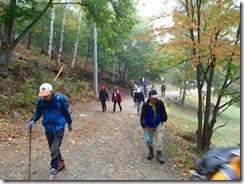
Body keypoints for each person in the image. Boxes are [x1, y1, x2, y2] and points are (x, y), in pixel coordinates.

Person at [27, 83, 73, 180]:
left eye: (46, 94)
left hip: (59, 127)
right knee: (53, 148)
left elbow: (65, 112)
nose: (45, 96)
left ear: (51, 92)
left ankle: (54, 167)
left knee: (54, 149)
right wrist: (33, 120)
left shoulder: (59, 101)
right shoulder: (41, 101)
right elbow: (38, 112)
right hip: (48, 128)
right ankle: (61, 163)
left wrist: (69, 123)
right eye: (43, 94)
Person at [140, 89, 167, 164]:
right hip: (149, 124)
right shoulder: (145, 105)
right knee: (149, 140)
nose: (155, 99)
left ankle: (159, 153)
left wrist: (163, 120)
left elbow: (163, 112)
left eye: (156, 97)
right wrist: (144, 126)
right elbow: (143, 116)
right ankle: (151, 151)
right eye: (153, 98)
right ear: (149, 97)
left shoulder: (160, 103)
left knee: (159, 138)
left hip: (158, 123)